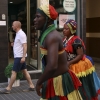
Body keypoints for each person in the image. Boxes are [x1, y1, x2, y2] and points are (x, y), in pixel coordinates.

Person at [34, 4, 88, 100]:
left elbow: (52, 66)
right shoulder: (49, 35)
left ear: (48, 19)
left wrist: (39, 82)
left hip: (59, 81)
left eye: (38, 16)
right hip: (54, 78)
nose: (35, 20)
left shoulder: (52, 37)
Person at [63, 19, 100, 99]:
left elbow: (80, 55)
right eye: (63, 29)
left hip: (77, 65)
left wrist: (69, 63)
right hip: (68, 64)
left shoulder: (76, 40)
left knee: (80, 86)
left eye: (66, 29)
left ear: (72, 30)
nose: (64, 30)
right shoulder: (65, 39)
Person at [0, 21, 35, 94]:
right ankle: (31, 86)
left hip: (19, 57)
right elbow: (20, 44)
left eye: (13, 25)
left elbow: (25, 46)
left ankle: (8, 88)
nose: (12, 26)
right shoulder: (18, 34)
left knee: (14, 72)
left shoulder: (21, 34)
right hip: (19, 56)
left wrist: (23, 57)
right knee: (25, 72)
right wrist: (14, 44)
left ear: (16, 26)